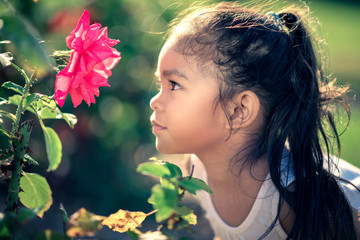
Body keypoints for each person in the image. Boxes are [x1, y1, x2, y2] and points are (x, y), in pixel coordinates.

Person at [149, 1, 360, 239]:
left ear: (238, 110)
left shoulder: (295, 202)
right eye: (160, 84)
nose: (154, 101)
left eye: (174, 85)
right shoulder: (195, 168)